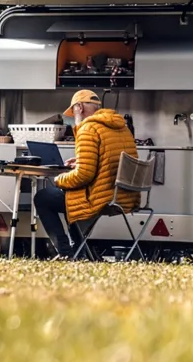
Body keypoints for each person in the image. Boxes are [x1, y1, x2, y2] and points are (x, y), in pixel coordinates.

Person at [33, 89, 139, 258]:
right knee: (70, 196)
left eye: (73, 111)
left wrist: (59, 179)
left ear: (79, 107)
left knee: (43, 197)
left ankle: (66, 252)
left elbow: (83, 175)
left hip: (101, 197)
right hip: (124, 196)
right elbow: (109, 158)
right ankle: (79, 251)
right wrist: (81, 160)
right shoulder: (122, 127)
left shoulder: (88, 128)